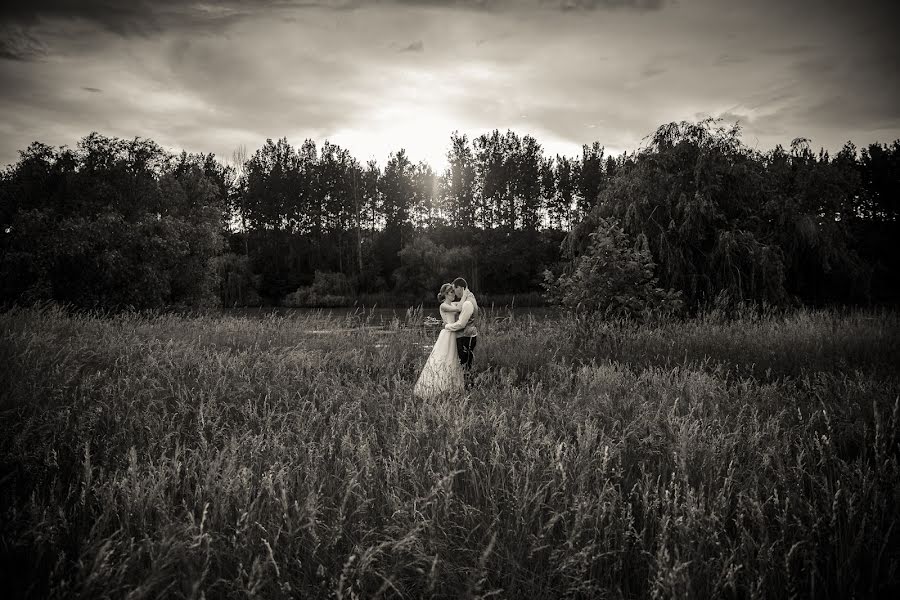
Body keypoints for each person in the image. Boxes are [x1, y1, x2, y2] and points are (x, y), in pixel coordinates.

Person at [413, 283, 465, 400]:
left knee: (453, 359)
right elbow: (459, 308)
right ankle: (438, 388)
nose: (454, 294)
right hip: (447, 334)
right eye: (452, 292)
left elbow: (460, 306)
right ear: (446, 294)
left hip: (453, 333)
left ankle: (453, 389)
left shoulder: (452, 303)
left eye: (453, 292)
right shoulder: (443, 306)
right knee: (443, 359)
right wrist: (466, 298)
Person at [444, 277, 478, 385]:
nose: (454, 292)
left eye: (455, 289)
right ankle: (469, 388)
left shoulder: (467, 303)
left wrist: (447, 326)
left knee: (465, 366)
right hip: (470, 335)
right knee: (467, 365)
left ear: (460, 288)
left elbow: (461, 324)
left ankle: (468, 390)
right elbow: (458, 306)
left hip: (465, 337)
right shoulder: (470, 297)